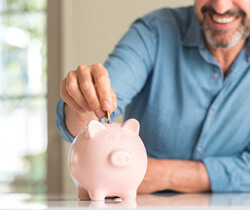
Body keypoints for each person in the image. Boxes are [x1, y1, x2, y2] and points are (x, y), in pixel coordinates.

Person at [56, 0, 250, 193]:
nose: (220, 7)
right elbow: (95, 114)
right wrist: (83, 106)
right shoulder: (154, 32)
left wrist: (164, 174)